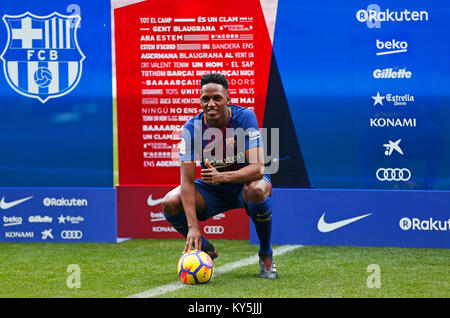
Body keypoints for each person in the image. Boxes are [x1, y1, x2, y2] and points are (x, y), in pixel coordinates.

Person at [161, 73, 277, 279]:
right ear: (200, 101)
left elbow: (258, 168)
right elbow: (186, 181)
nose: (211, 103)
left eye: (217, 98)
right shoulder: (191, 128)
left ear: (228, 99)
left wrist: (223, 177)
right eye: (205, 99)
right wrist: (193, 226)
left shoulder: (245, 117)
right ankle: (206, 248)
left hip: (244, 184)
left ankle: (266, 255)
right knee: (169, 202)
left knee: (258, 190)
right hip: (213, 188)